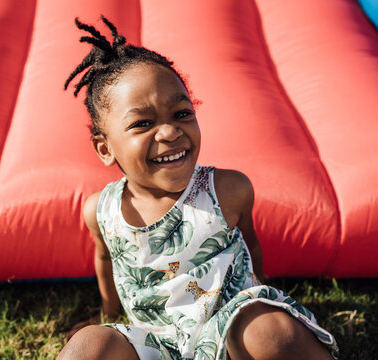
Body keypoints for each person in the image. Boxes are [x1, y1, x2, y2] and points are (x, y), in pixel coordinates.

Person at [58, 16, 339, 360]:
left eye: (181, 114)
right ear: (105, 148)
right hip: (155, 345)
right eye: (143, 123)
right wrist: (109, 314)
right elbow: (106, 258)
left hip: (229, 334)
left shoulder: (226, 190)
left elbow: (250, 246)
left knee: (269, 331)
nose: (169, 132)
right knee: (88, 345)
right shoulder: (100, 210)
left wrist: (264, 296)